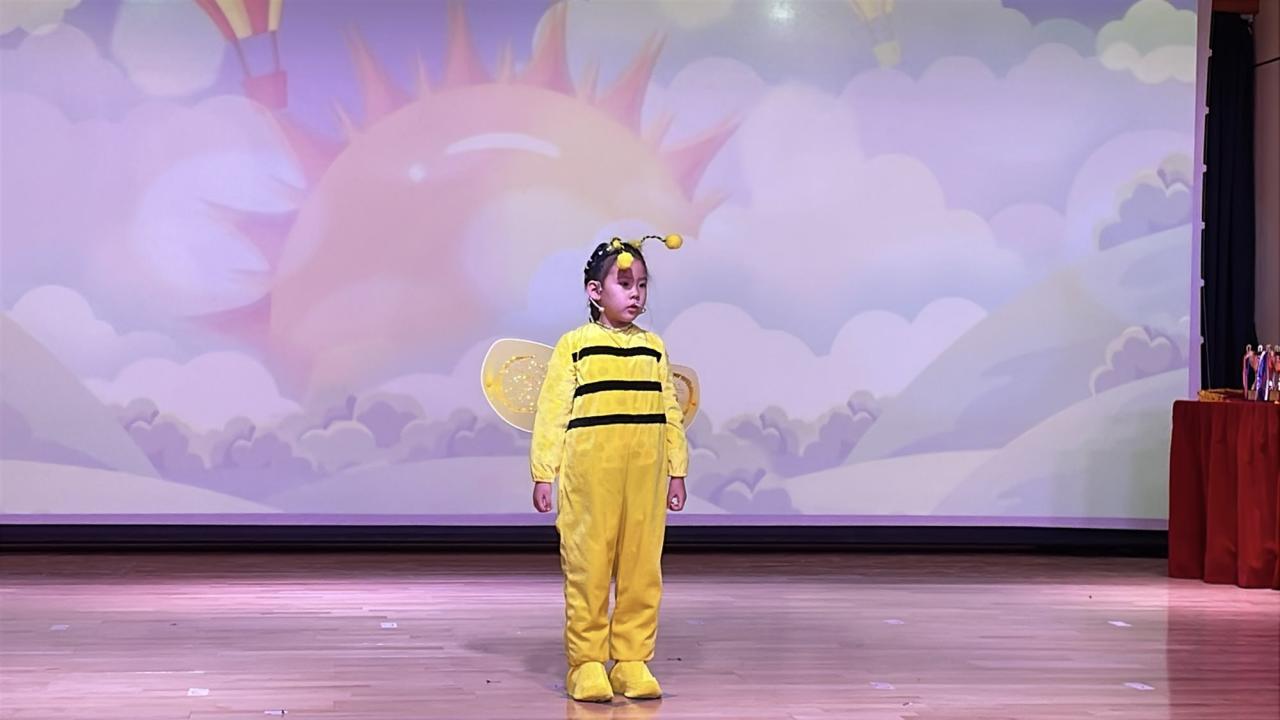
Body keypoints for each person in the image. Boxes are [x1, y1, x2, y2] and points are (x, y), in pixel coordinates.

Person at [529, 235, 689, 703]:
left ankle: (632, 659)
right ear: (595, 292)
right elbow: (553, 411)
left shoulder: (653, 348)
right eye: (624, 283)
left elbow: (670, 411)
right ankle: (587, 663)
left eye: (642, 284)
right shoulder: (575, 346)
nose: (635, 293)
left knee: (642, 568)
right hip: (590, 480)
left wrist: (677, 470)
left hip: (645, 478)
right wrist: (544, 472)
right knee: (589, 567)